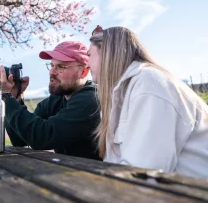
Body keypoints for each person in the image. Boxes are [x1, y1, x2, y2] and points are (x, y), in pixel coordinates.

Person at [87, 25, 208, 178]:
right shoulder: (125, 92)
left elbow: (142, 173)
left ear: (105, 52)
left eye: (89, 55)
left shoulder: (148, 83)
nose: (87, 63)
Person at [0, 41, 101, 159]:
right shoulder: (56, 99)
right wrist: (15, 97)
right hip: (66, 171)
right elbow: (21, 139)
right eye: (51, 65)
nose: (52, 72)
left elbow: (41, 137)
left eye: (61, 67)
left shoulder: (90, 100)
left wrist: (5, 96)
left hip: (94, 175)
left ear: (83, 72)